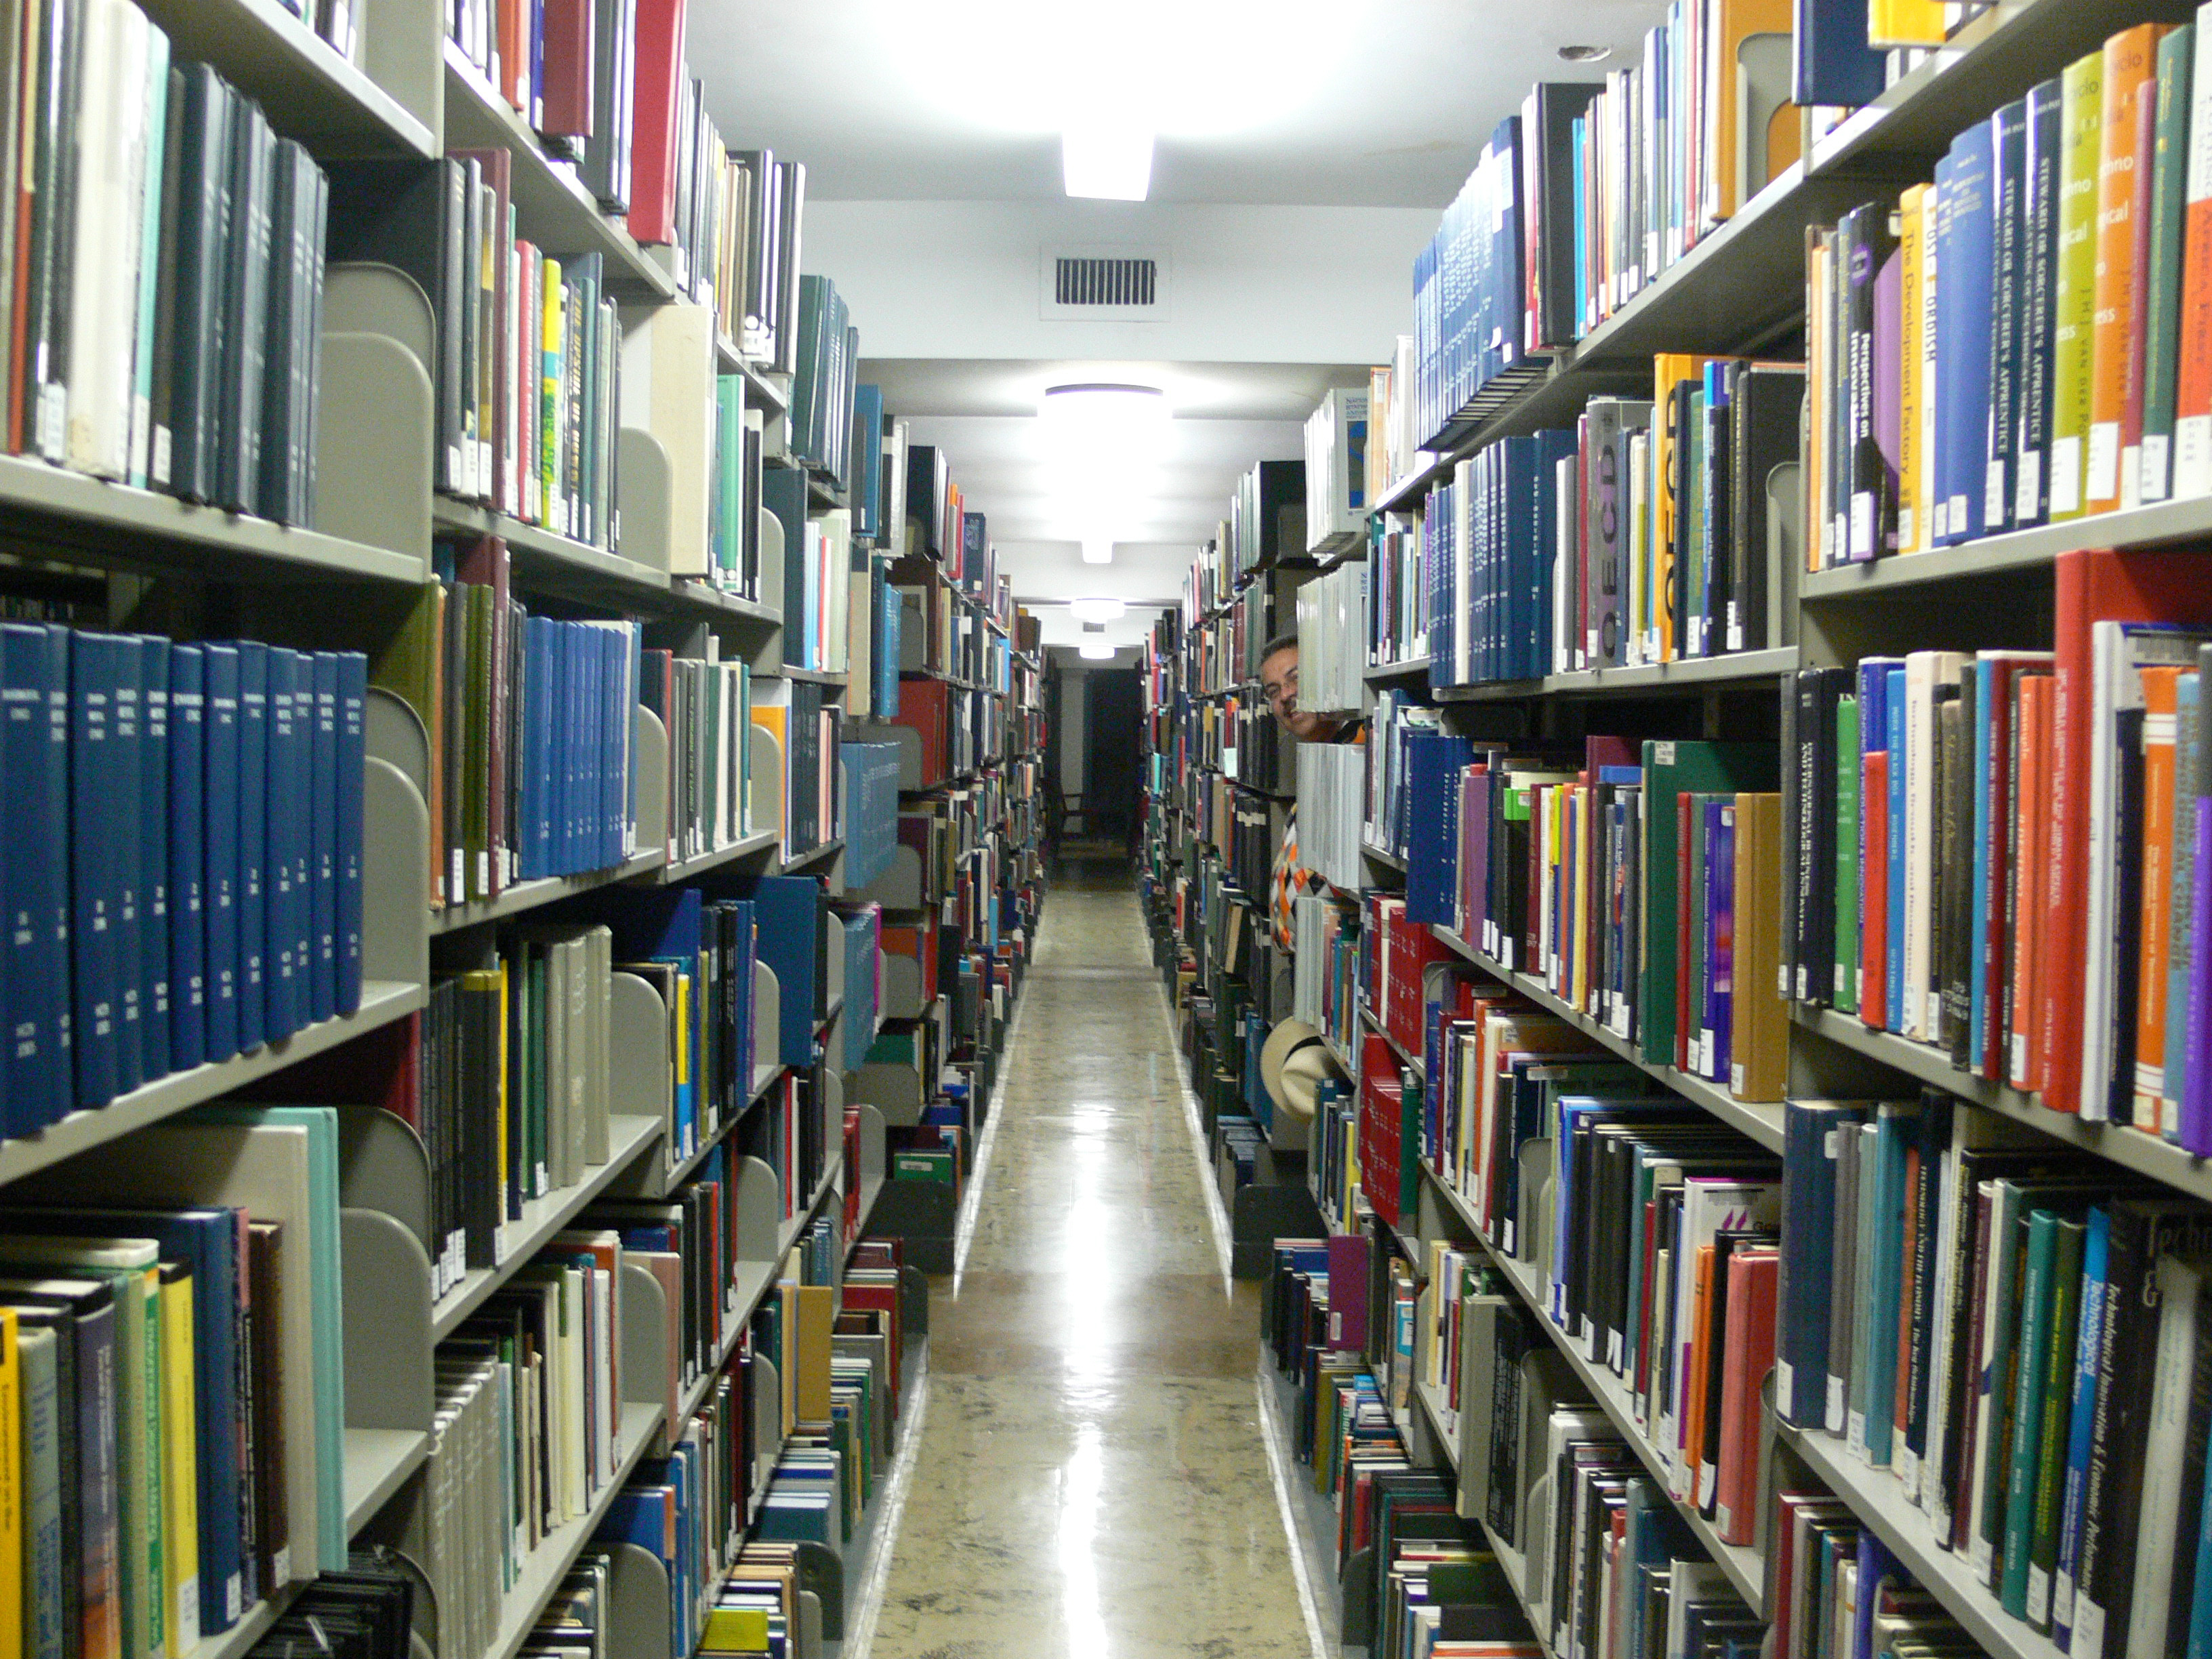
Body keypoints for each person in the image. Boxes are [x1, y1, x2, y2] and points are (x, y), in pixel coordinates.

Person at [1258, 631, 1355, 953]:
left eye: (1296, 678)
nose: (1285, 696)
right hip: (1311, 969)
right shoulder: (1319, 762)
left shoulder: (1357, 757)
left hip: (1337, 965)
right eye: (1274, 691)